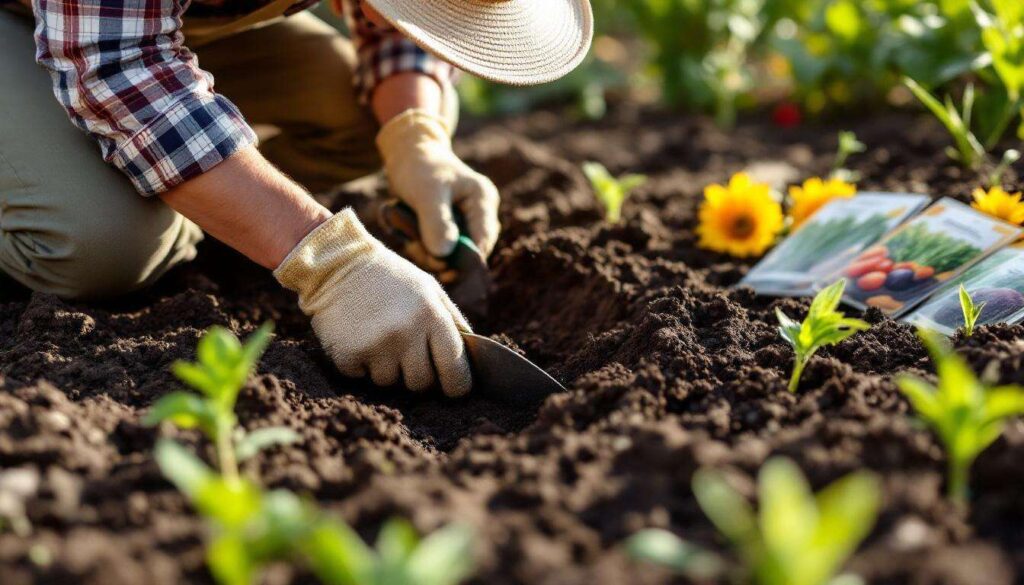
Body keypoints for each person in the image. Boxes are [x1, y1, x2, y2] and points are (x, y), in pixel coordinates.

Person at [0, 0, 593, 396]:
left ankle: (205, 194)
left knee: (362, 118)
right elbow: (118, 65)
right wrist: (330, 263)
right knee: (104, 242)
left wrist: (417, 138)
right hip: (82, 36)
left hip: (120, 21)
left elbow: (398, 16)